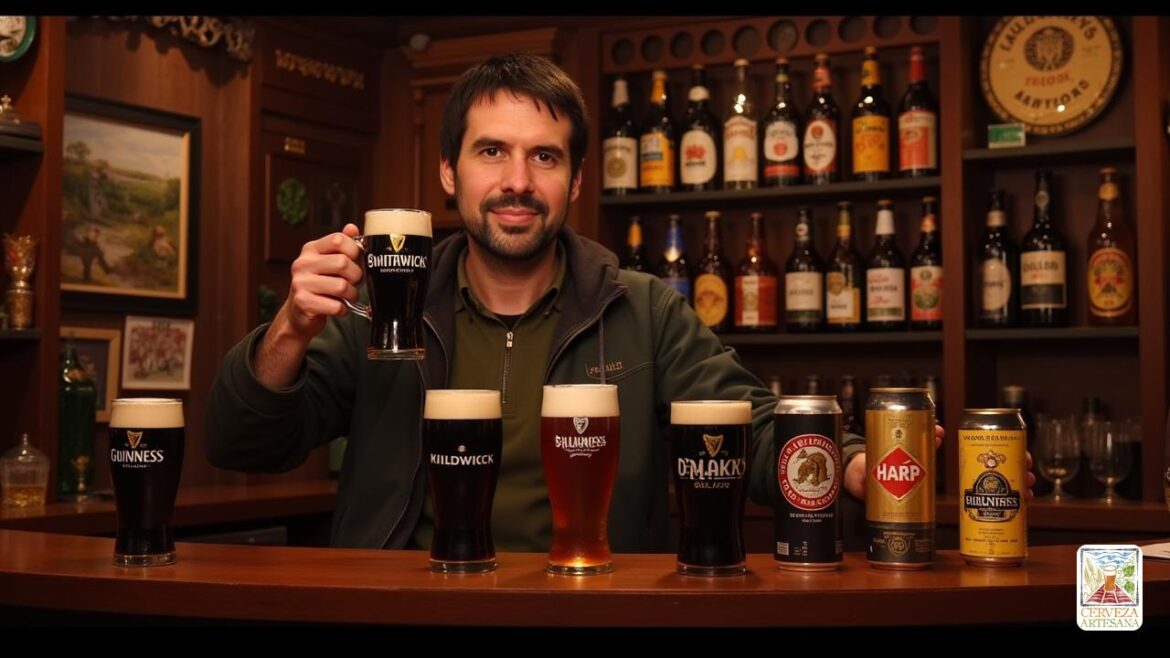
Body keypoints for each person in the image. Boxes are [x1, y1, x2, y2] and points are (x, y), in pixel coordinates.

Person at [206, 53, 1026, 552]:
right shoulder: (378, 309)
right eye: (492, 152)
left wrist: (853, 461)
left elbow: (754, 424)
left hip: (590, 603)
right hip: (408, 602)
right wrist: (288, 327)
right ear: (451, 173)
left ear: (577, 181)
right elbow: (241, 442)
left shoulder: (643, 309)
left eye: (546, 157)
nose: (518, 182)